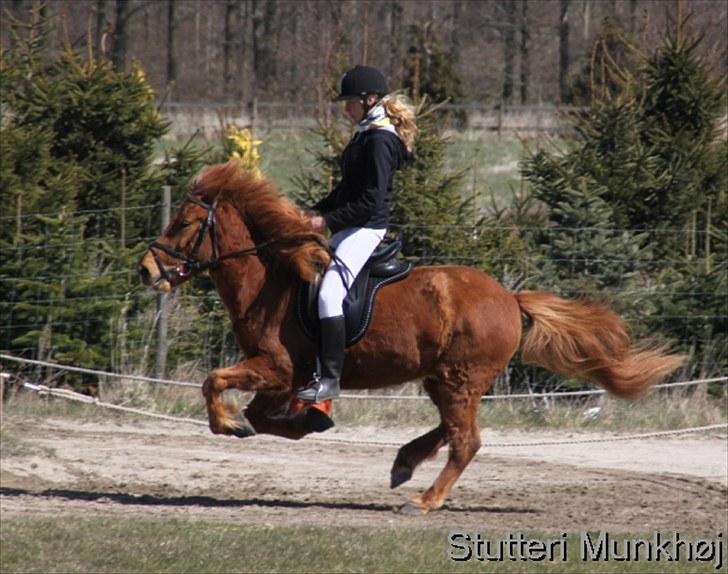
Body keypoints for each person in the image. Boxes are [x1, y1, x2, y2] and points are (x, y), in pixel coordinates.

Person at [296, 65, 417, 403]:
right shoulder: (366, 132)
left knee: (329, 294)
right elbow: (347, 189)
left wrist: (326, 221)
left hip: (366, 229)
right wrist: (315, 211)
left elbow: (369, 202)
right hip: (349, 225)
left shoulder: (380, 139)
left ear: (369, 100)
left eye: (349, 102)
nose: (346, 109)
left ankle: (330, 380)